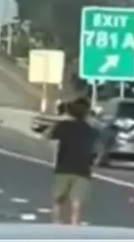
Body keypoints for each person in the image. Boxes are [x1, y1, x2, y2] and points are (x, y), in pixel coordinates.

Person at [44, 96, 97, 225]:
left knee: (58, 199)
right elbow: (95, 149)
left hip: (64, 168)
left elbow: (47, 135)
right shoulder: (90, 130)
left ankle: (56, 224)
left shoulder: (63, 125)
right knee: (77, 202)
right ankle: (74, 227)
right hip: (83, 170)